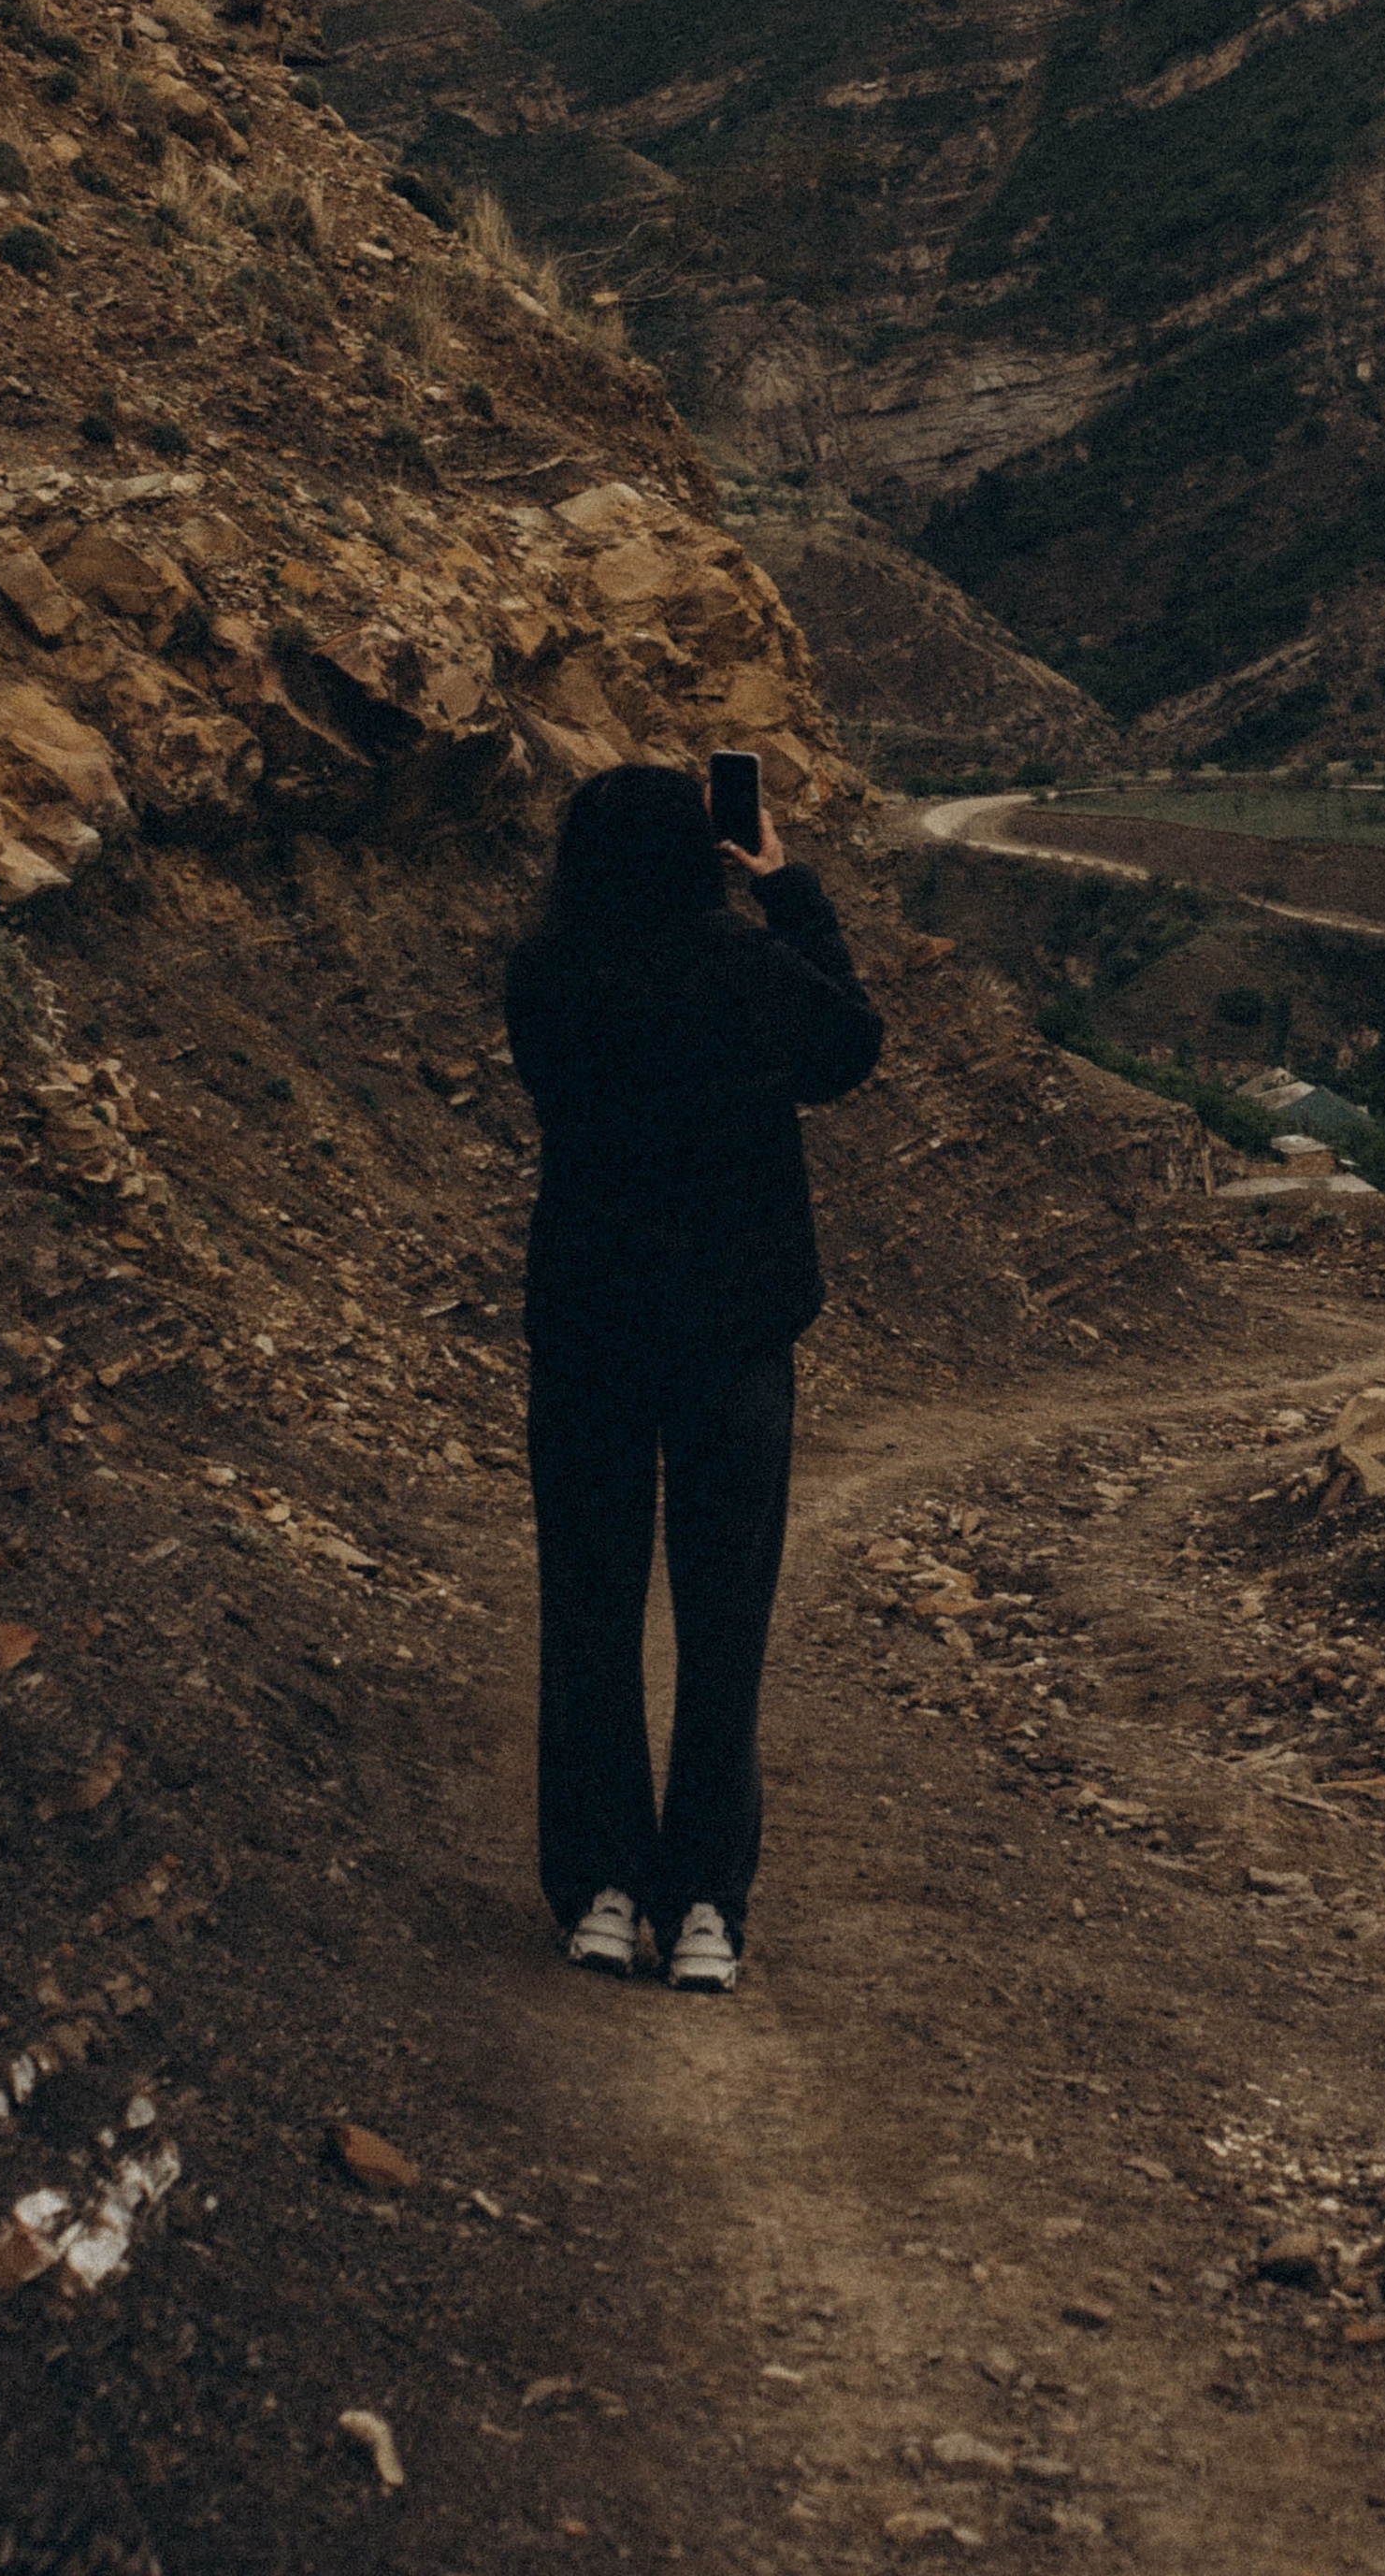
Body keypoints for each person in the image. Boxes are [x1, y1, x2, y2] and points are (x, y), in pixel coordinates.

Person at [503, 760, 884, 1993]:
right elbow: (849, 1046)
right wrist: (789, 889)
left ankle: (603, 1892)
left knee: (592, 1611)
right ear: (702, 855)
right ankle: (708, 1911)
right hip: (734, 1336)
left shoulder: (547, 981)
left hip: (590, 1332)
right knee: (725, 1625)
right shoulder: (752, 976)